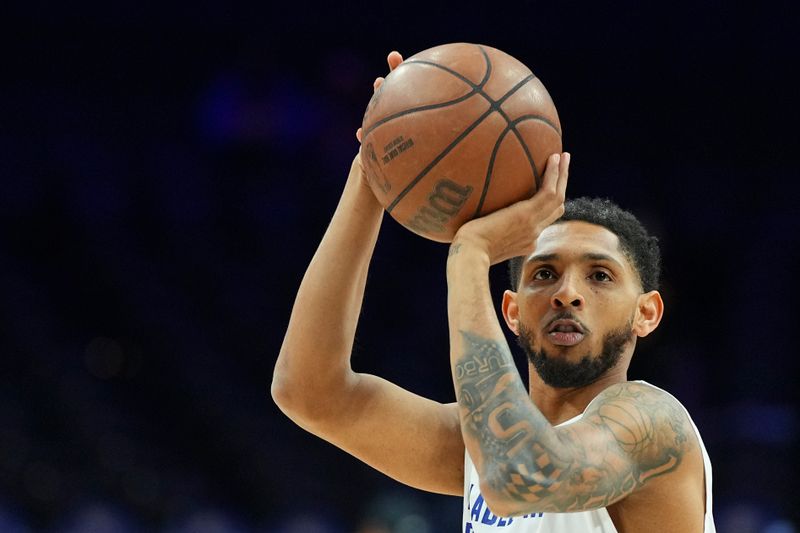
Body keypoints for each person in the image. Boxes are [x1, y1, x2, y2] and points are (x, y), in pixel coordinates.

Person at [272, 51, 716, 532]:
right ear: (511, 311)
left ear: (646, 313)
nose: (567, 293)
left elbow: (516, 475)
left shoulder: (652, 424)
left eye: (600, 276)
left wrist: (469, 255)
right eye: (543, 274)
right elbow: (308, 392)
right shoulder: (476, 448)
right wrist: (371, 170)